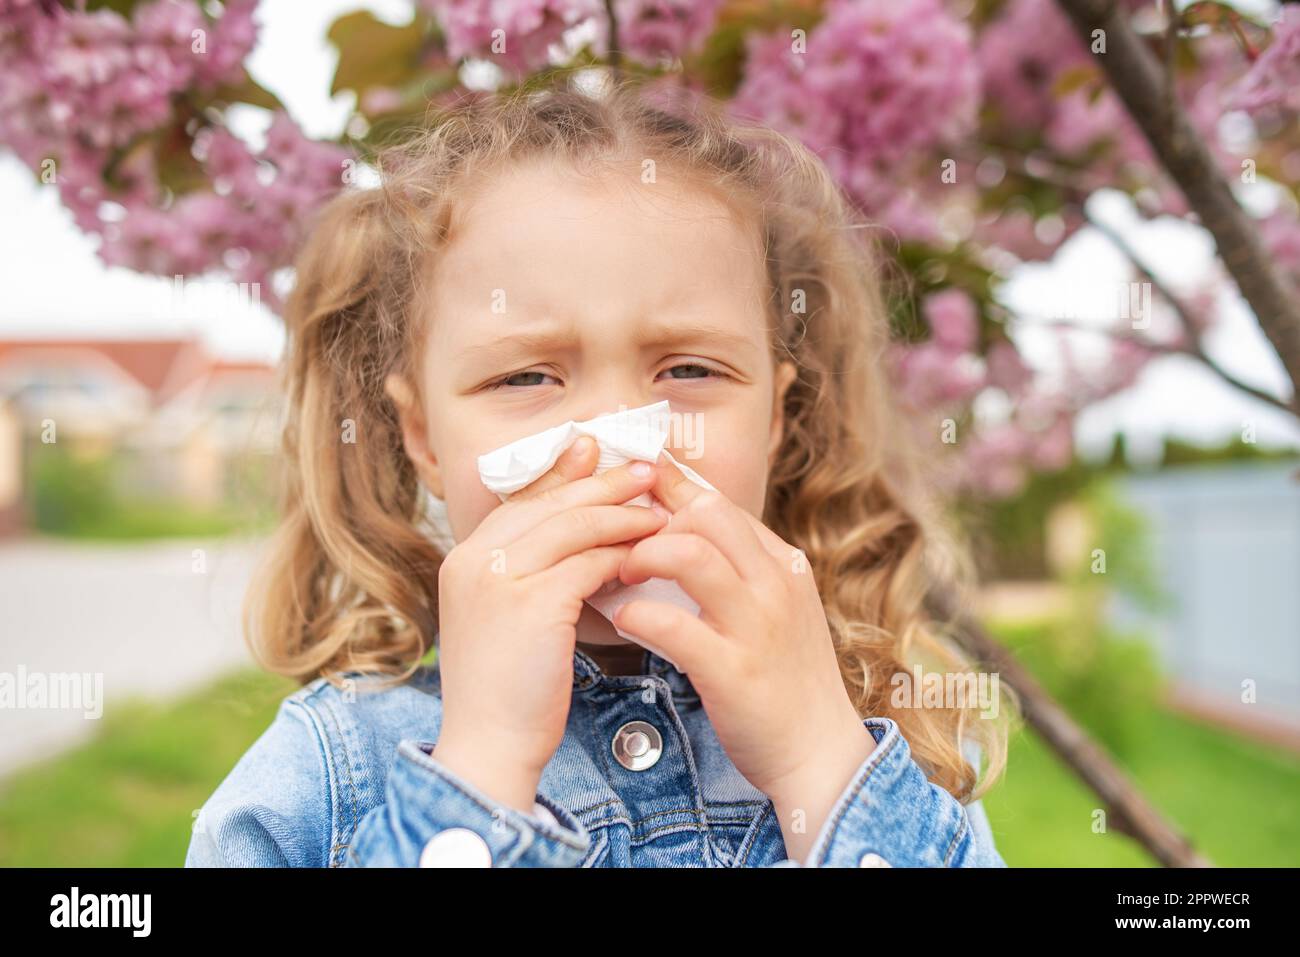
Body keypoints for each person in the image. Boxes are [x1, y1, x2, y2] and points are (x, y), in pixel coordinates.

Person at [186, 77, 1015, 868]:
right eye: (526, 377)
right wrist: (481, 770)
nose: (621, 440)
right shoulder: (328, 773)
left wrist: (815, 762)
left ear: (773, 419)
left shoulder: (873, 737)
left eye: (688, 370)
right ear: (424, 437)